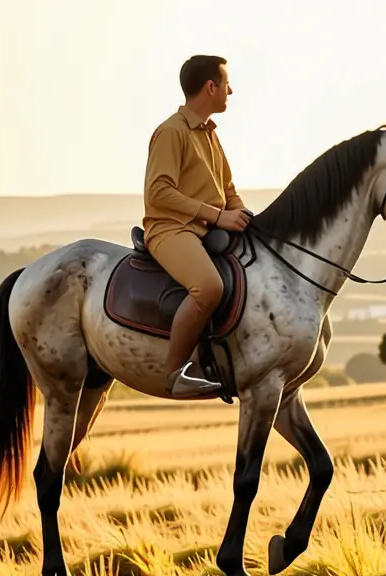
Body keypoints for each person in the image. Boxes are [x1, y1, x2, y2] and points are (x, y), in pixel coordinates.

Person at [142, 55, 250, 398]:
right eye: (226, 84)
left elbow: (228, 190)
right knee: (208, 287)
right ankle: (174, 373)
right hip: (171, 229)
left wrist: (244, 217)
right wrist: (217, 216)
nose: (231, 90)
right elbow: (158, 192)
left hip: (208, 229)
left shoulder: (210, 134)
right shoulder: (171, 132)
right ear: (210, 87)